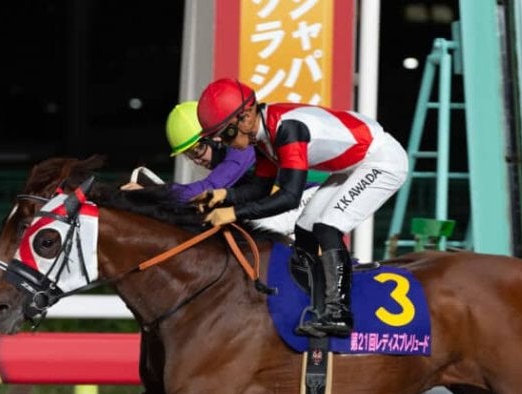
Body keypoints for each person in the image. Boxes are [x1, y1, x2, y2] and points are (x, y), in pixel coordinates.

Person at [190, 78, 409, 337]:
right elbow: (260, 189)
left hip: (382, 160)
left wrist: (233, 213)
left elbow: (289, 198)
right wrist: (223, 195)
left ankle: (339, 314)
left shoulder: (287, 130)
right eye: (216, 137)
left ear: (246, 116)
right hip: (352, 165)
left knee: (327, 227)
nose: (223, 143)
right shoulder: (261, 136)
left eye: (225, 133)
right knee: (304, 228)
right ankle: (313, 301)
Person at [121, 101, 257, 202]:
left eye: (196, 150)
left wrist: (151, 192)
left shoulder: (243, 147)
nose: (196, 160)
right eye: (189, 155)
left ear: (216, 137)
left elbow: (207, 189)